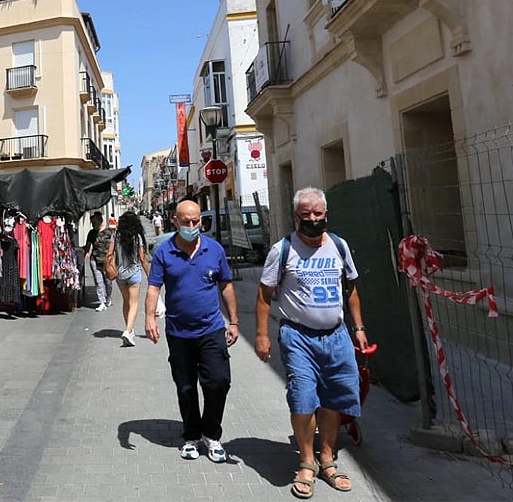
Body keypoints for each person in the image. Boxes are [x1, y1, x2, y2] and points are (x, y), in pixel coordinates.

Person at [254, 187, 368, 498]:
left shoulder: (339, 247)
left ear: (326, 215)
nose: (313, 219)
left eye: (318, 214)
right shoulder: (283, 250)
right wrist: (262, 335)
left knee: (333, 398)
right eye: (306, 215)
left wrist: (358, 327)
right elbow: (264, 297)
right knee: (304, 399)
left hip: (337, 335)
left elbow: (352, 289)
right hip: (298, 336)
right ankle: (306, 461)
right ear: (296, 217)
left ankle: (327, 458)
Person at [145, 199, 238, 463]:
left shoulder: (214, 249)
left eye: (196, 221)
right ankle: (191, 435)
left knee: (219, 382)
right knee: (186, 388)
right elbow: (153, 287)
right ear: (175, 220)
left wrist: (234, 321)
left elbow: (226, 285)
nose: (192, 226)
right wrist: (149, 318)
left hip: (211, 330)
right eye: (186, 221)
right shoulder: (164, 252)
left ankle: (212, 433)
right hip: (179, 332)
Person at [107, 211, 151, 347]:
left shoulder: (116, 235)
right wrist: (151, 276)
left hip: (120, 273)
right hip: (134, 273)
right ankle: (128, 330)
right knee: (134, 303)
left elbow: (109, 253)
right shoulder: (137, 237)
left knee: (126, 302)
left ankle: (129, 329)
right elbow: (143, 259)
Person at [83, 211, 114, 311]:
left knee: (108, 282)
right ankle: (101, 302)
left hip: (107, 260)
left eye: (94, 223)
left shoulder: (110, 232)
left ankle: (108, 297)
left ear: (100, 221)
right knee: (98, 281)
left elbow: (115, 245)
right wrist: (86, 252)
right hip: (95, 259)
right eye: (92, 223)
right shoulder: (92, 233)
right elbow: (88, 245)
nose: (93, 225)